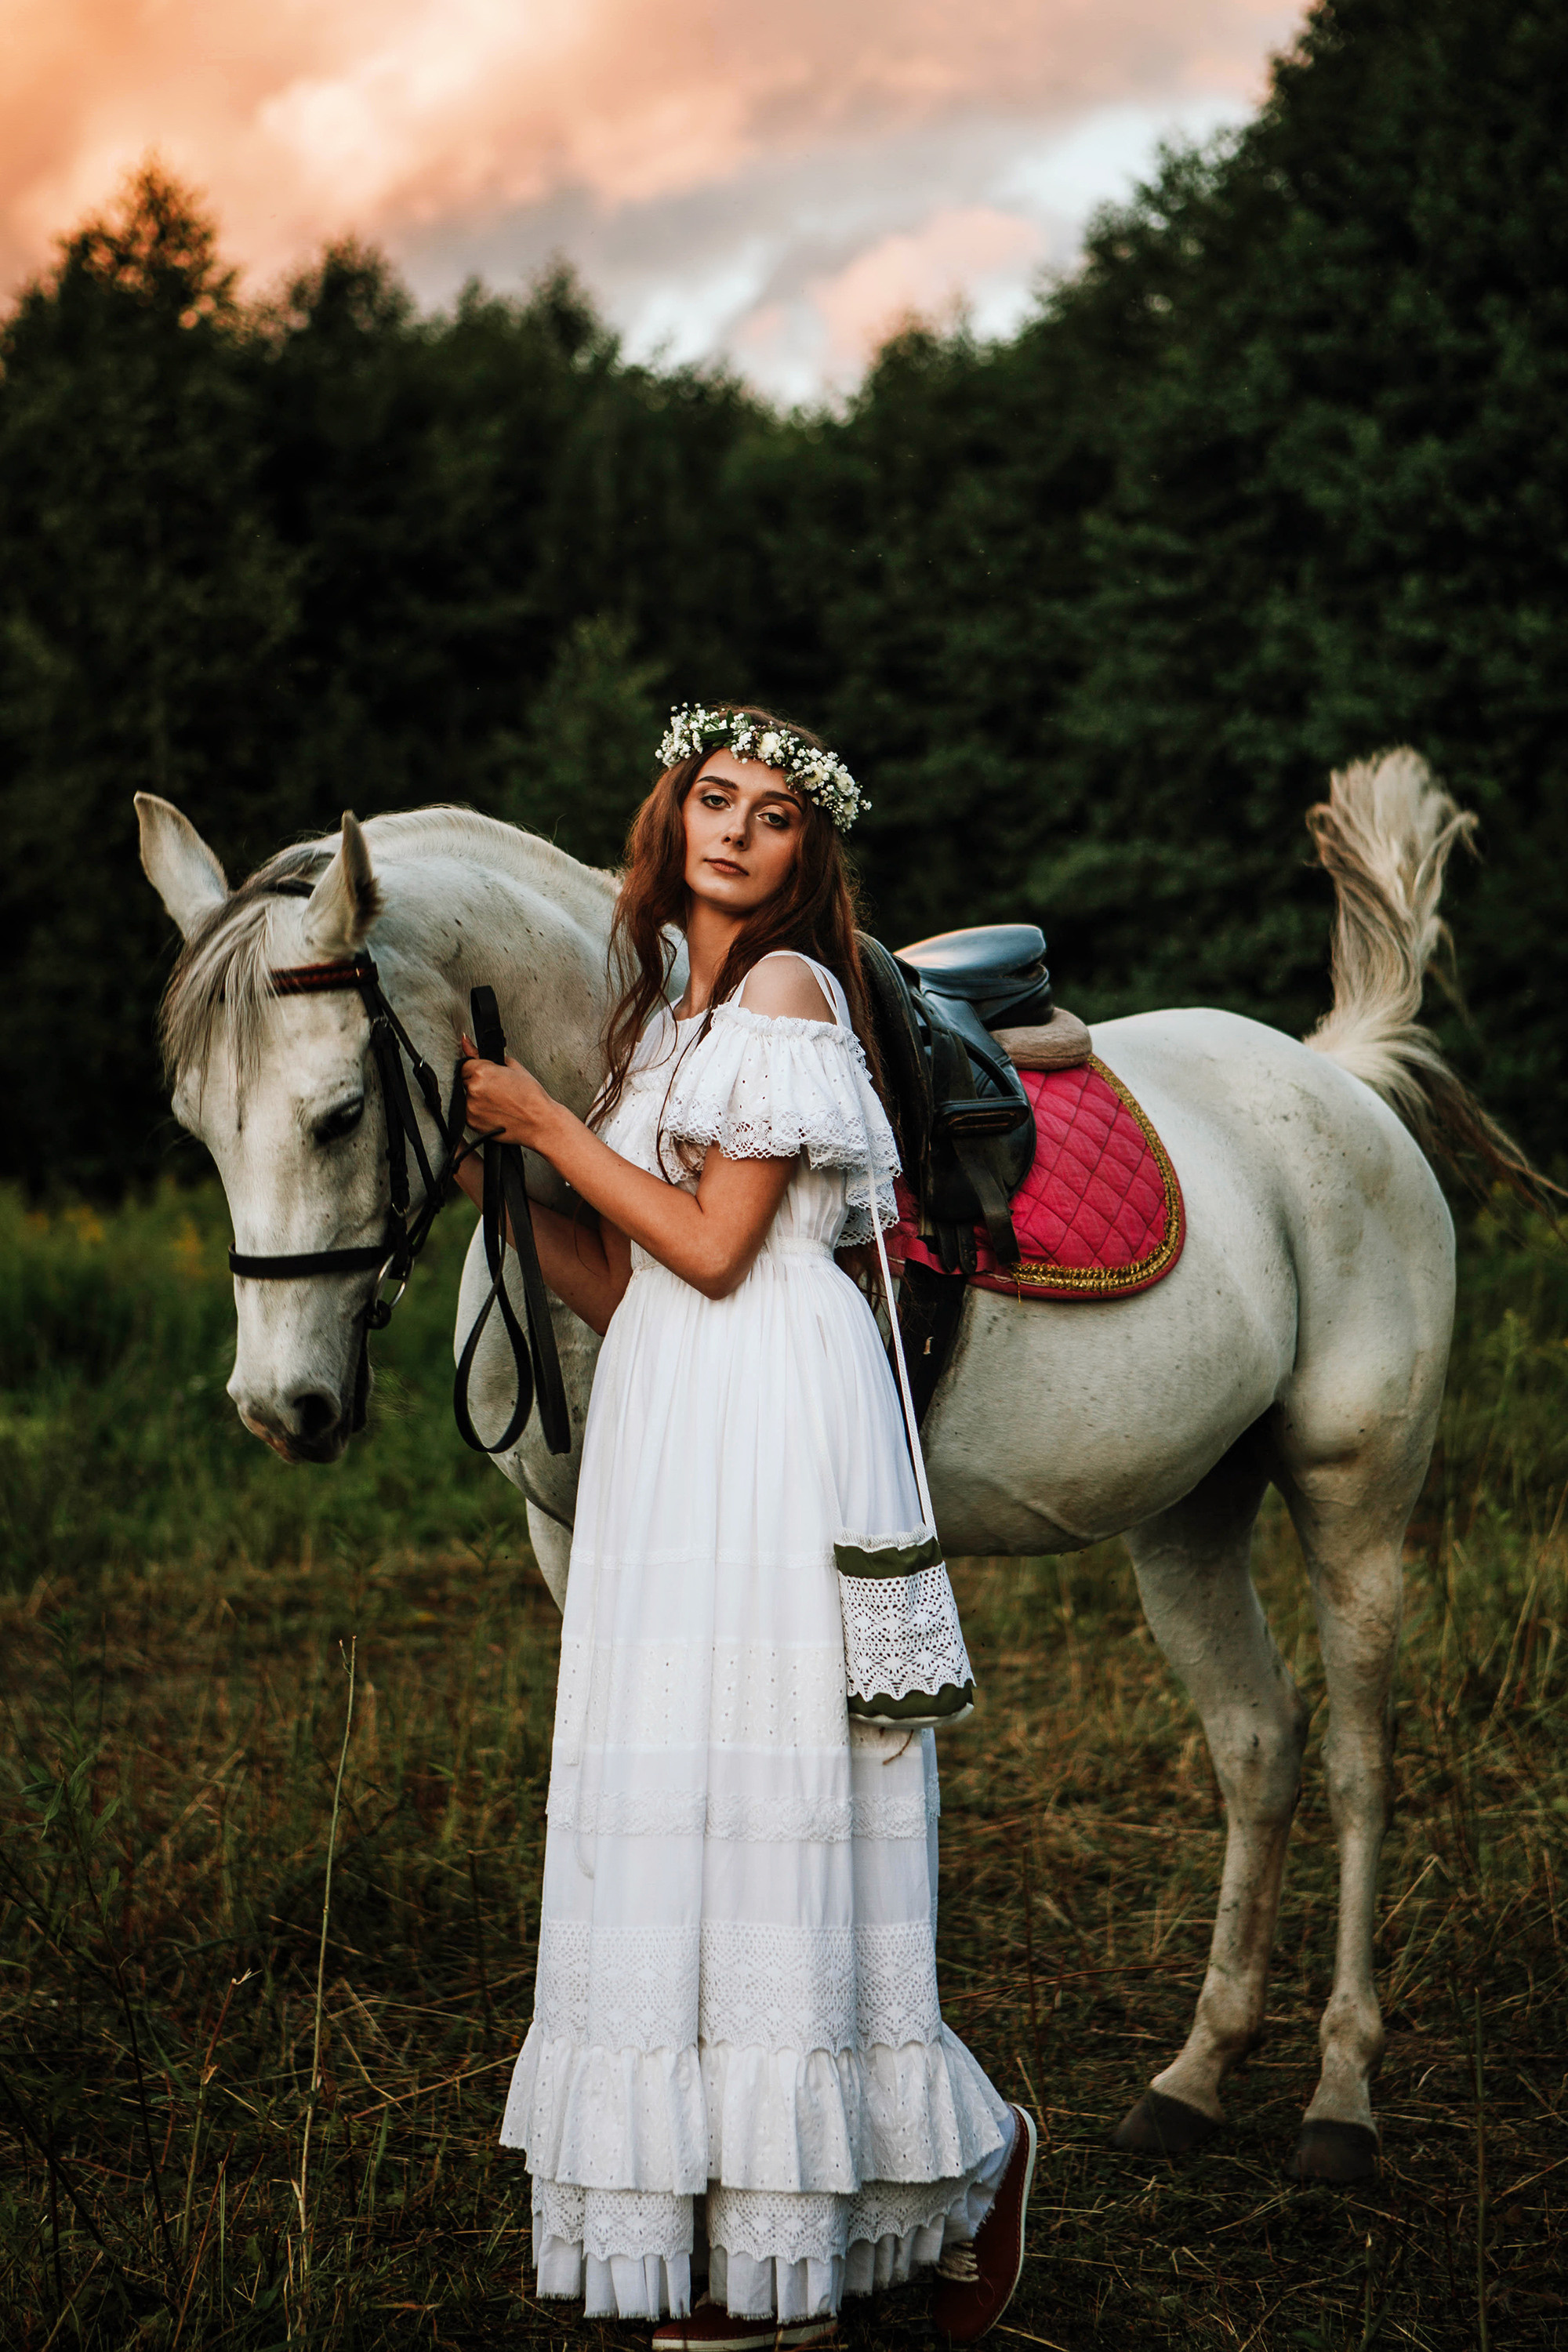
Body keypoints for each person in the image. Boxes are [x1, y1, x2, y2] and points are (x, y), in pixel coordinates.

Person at [459, 703, 1036, 2348]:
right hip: (673, 1412)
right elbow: (632, 1282)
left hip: (774, 1410)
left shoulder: (785, 995)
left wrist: (548, 1129)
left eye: (773, 814)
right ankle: (736, 2223)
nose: (734, 828)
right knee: (683, 1795)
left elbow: (718, 1253)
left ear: (804, 854)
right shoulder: (659, 1021)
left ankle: (935, 2178)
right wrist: (501, 1191)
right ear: (670, 817)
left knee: (776, 1786)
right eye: (712, 798)